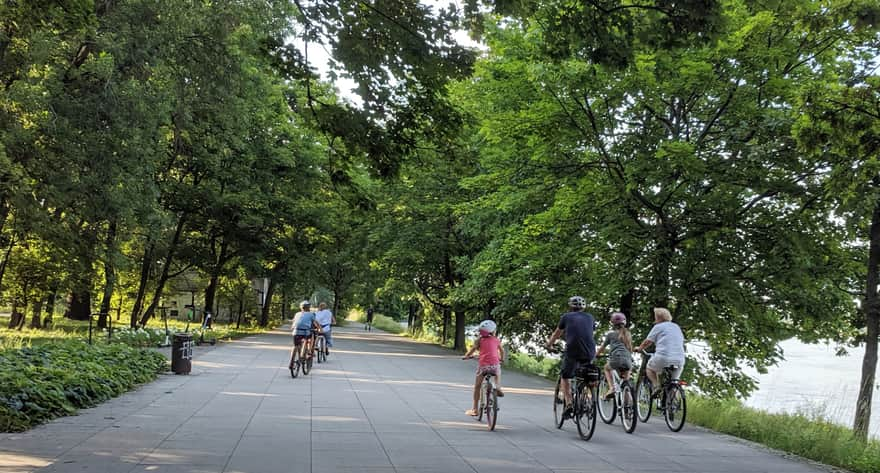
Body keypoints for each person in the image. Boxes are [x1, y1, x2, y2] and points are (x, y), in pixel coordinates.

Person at [545, 295, 597, 412]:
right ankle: (587, 399)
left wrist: (549, 345)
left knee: (565, 376)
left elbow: (556, 334)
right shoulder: (590, 317)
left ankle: (569, 403)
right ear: (584, 307)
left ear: (570, 306)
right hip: (589, 350)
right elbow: (589, 333)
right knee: (587, 375)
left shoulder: (566, 317)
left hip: (572, 350)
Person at [635, 307, 685, 397]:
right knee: (674, 382)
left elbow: (647, 342)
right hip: (679, 359)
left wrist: (639, 348)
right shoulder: (676, 327)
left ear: (658, 318)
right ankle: (673, 405)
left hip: (663, 357)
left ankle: (656, 385)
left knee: (649, 368)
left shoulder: (658, 327)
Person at [462, 319, 505, 416]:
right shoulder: (496, 340)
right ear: (493, 331)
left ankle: (475, 409)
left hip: (484, 367)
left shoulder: (479, 340)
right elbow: (502, 351)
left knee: (477, 386)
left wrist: (466, 356)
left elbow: (471, 351)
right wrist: (502, 359)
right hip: (495, 365)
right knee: (497, 373)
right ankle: (498, 387)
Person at [596, 311, 633, 399]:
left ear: (613, 323)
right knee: (625, 381)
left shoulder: (611, 335)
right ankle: (629, 406)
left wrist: (597, 355)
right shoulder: (628, 334)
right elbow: (630, 348)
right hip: (628, 361)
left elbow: (602, 348)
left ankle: (612, 388)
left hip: (616, 359)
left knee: (606, 368)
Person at [291, 301, 320, 365]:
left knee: (295, 346)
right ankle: (309, 351)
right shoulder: (311, 314)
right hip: (306, 332)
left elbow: (294, 322)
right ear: (308, 307)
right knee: (311, 335)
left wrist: (292, 327)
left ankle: (291, 362)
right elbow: (316, 323)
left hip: (296, 331)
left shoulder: (297, 314)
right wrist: (319, 329)